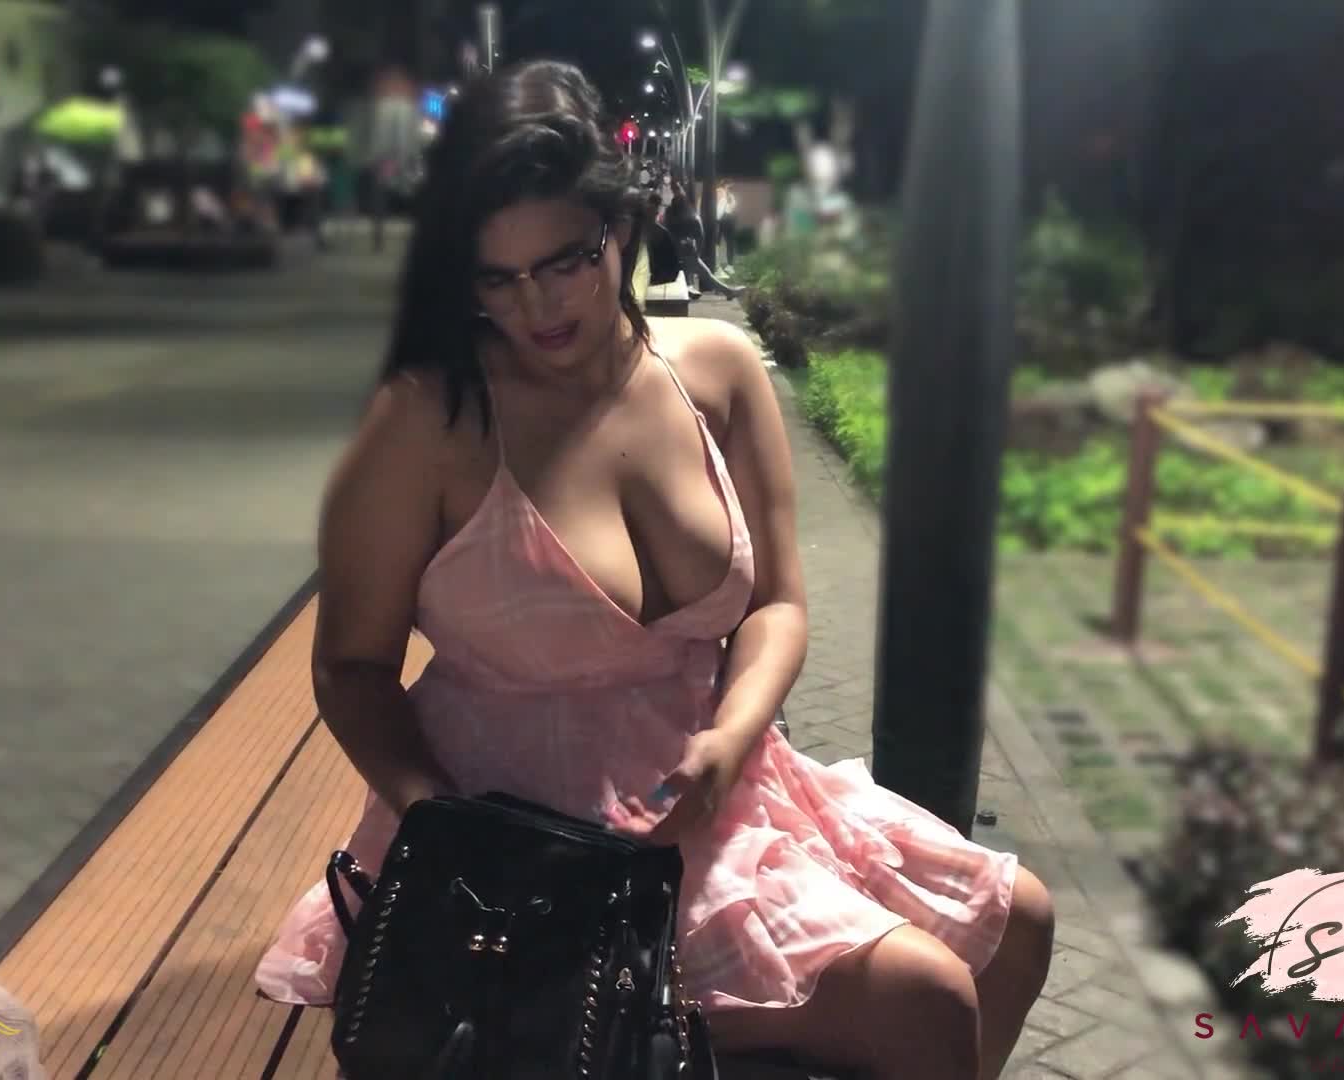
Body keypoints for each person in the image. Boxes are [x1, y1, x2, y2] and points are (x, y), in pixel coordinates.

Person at [256, 60, 1054, 1080]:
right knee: (926, 1000)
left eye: (565, 260)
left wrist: (732, 734)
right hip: (531, 844)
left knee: (1020, 924)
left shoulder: (715, 370)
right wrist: (440, 827)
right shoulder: (431, 417)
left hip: (719, 780)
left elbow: (777, 605)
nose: (536, 304)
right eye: (496, 278)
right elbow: (351, 666)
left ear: (623, 227)